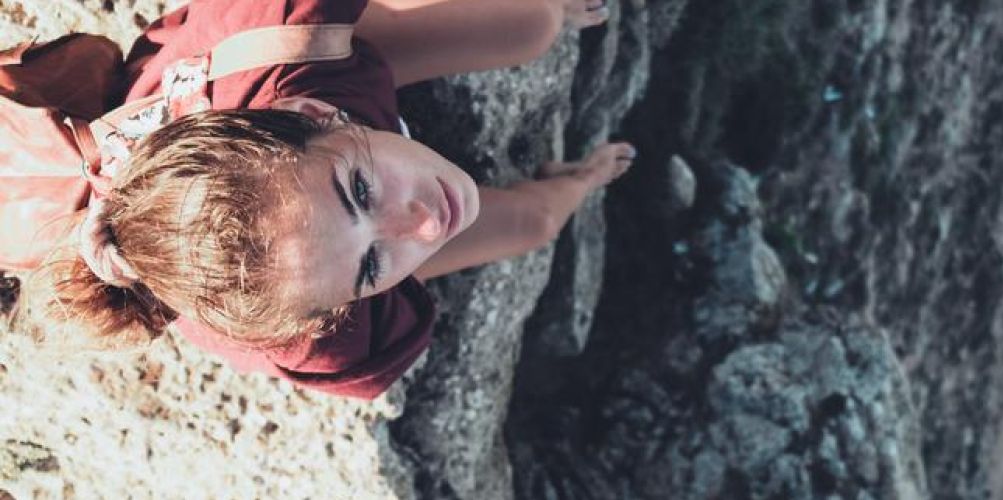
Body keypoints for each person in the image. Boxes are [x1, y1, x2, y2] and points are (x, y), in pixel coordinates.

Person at [13, 0, 635, 399]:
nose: (422, 225)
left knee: (532, 23)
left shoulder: (281, 36)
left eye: (359, 192)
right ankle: (579, 176)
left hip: (316, 75)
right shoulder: (312, 333)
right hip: (325, 157)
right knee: (531, 223)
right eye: (369, 267)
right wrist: (357, 211)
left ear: (310, 113)